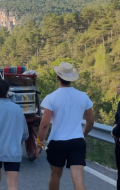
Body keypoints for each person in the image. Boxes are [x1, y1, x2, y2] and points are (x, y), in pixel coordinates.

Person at [36, 62, 94, 190]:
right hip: (77, 142)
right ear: (71, 79)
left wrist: (39, 143)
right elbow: (90, 121)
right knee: (78, 179)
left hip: (57, 143)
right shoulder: (83, 96)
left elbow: (45, 124)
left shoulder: (51, 98)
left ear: (57, 77)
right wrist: (83, 134)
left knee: (55, 175)